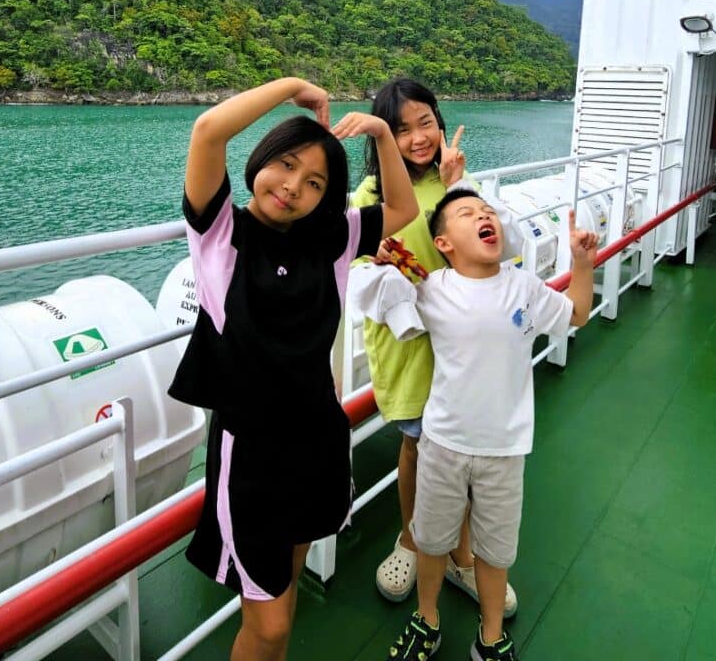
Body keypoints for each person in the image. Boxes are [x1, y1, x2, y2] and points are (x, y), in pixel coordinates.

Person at [168, 77, 418, 661]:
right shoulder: (221, 238)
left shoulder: (330, 239)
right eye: (284, 165)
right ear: (261, 159)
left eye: (313, 183)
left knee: (287, 592)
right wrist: (290, 88)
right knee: (272, 622)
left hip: (318, 442)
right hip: (251, 454)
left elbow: (403, 208)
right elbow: (208, 131)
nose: (292, 187)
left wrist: (382, 133)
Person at [356, 188, 598, 661]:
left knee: (496, 550)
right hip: (442, 444)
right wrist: (381, 258)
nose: (483, 216)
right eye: (467, 214)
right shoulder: (432, 289)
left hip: (504, 450)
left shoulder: (523, 286)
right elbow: (381, 290)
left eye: (488, 213)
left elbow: (576, 313)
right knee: (429, 539)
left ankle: (490, 636)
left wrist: (582, 263)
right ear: (444, 243)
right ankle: (427, 618)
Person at [348, 78, 519, 617]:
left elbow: (490, 251)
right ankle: (414, 538)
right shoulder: (370, 197)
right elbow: (353, 270)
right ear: (383, 142)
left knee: (463, 448)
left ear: (440, 123)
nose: (418, 137)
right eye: (401, 129)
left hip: (463, 342)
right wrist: (374, 263)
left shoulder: (458, 188)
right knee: (419, 444)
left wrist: (458, 186)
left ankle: (461, 555)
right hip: (410, 343)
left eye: (426, 122)